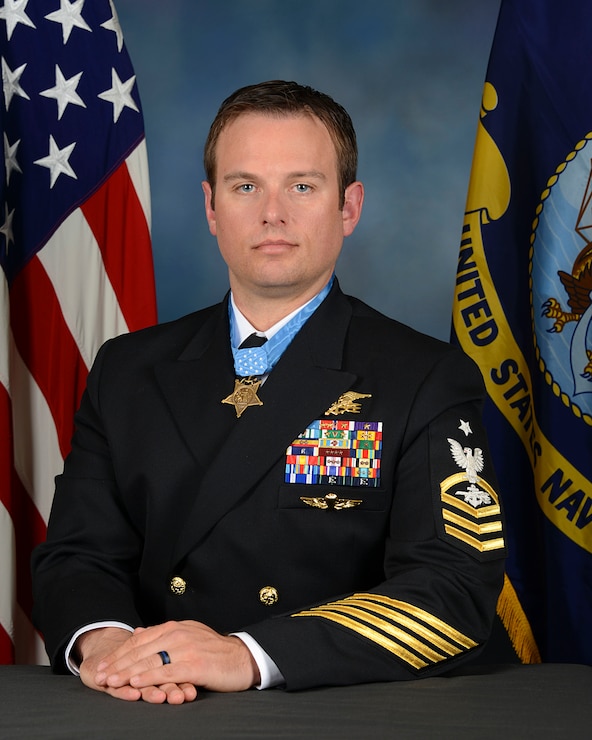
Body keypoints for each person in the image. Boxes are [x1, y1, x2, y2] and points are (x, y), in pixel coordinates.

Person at [32, 80, 507, 704]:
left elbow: (452, 589)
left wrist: (249, 655)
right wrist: (113, 648)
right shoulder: (128, 370)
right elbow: (76, 553)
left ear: (349, 208)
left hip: (344, 705)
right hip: (157, 703)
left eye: (302, 186)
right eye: (245, 185)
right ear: (210, 206)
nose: (272, 213)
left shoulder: (424, 376)